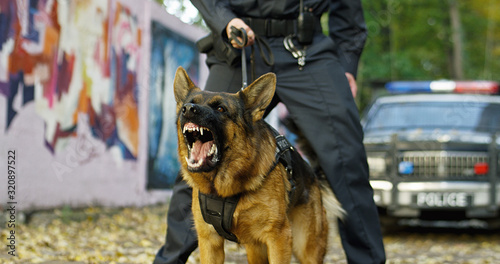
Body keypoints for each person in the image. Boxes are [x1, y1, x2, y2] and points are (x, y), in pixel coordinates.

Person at [154, 0, 386, 263]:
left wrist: (347, 62)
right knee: (201, 154)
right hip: (239, 41)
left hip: (308, 50)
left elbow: (348, 8)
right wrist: (224, 20)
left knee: (348, 158)